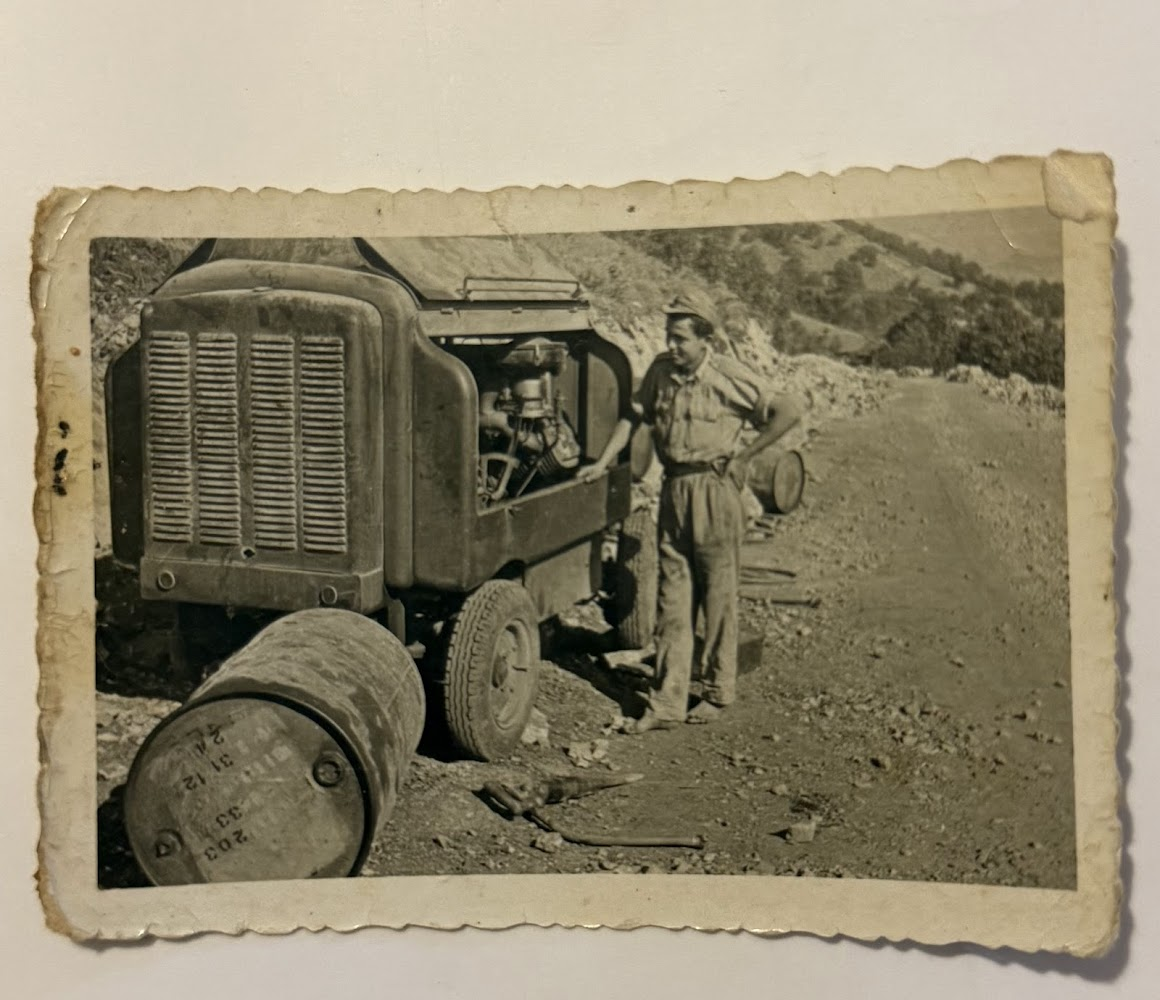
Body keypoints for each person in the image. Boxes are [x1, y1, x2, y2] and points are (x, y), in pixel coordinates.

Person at [579, 289, 802, 732]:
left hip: (715, 492)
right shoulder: (661, 373)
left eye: (680, 338)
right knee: (673, 600)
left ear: (705, 340)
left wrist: (745, 456)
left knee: (718, 596)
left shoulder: (728, 375)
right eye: (668, 336)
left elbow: (789, 411)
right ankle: (667, 703)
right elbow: (634, 417)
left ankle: (718, 692)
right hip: (674, 490)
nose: (671, 346)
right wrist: (603, 463)